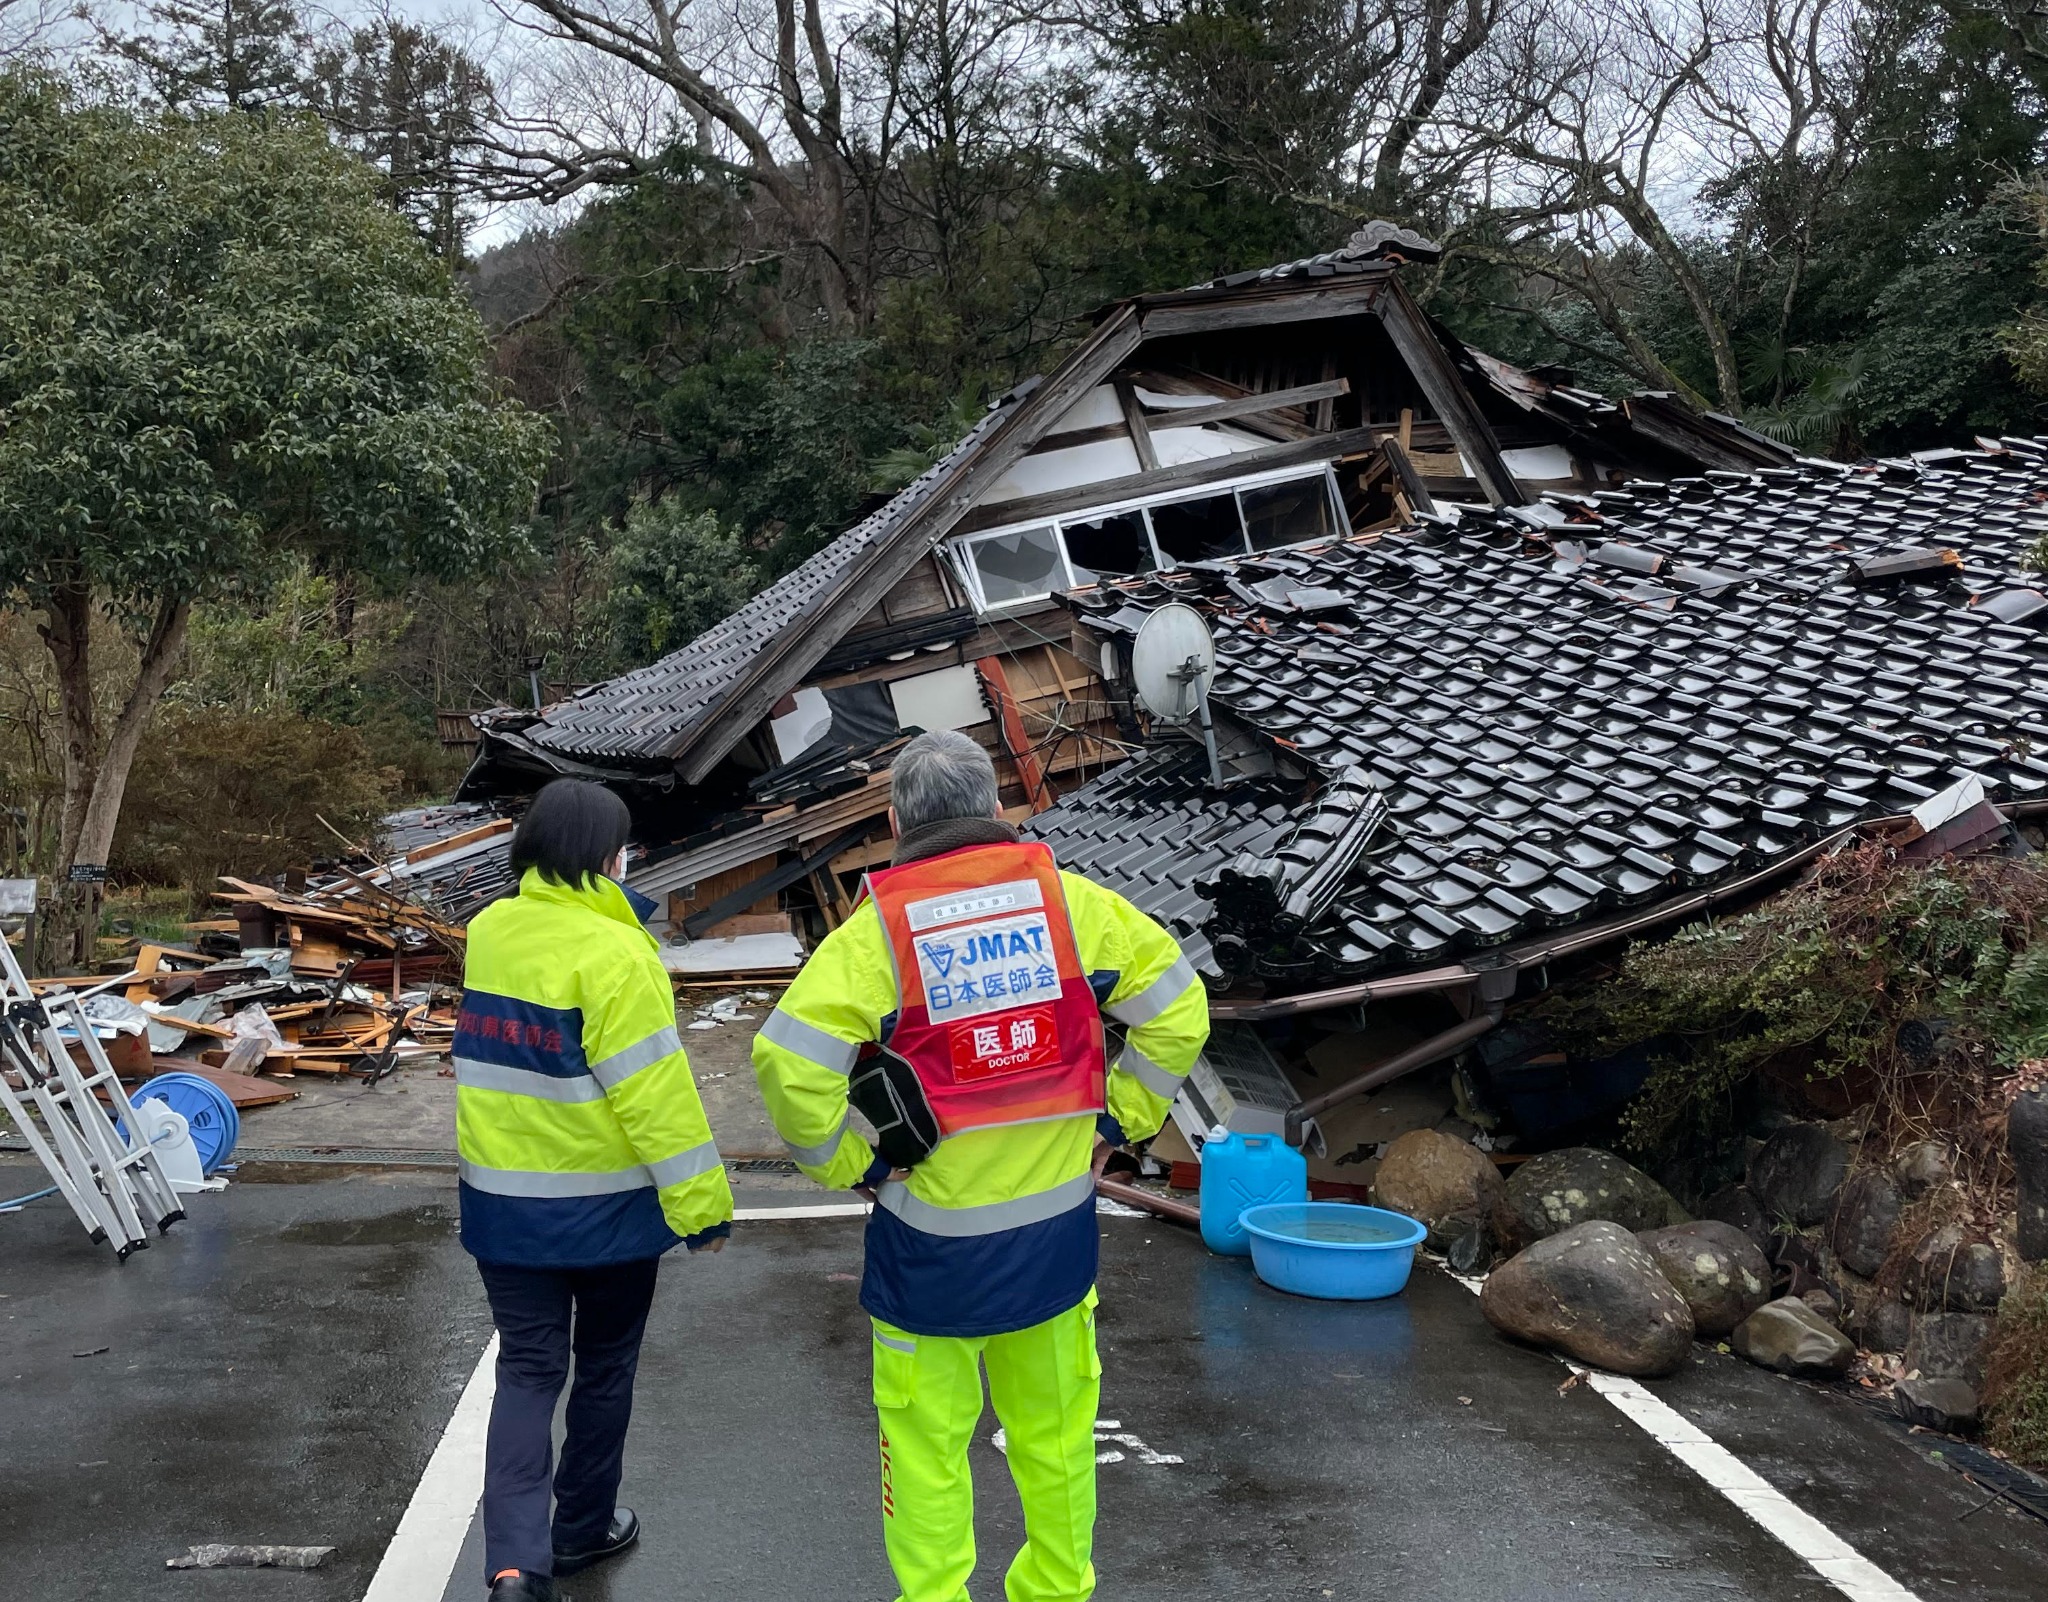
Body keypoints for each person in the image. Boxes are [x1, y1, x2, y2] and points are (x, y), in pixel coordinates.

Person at [752, 729, 1209, 1602]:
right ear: (998, 809)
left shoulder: (877, 935)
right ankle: (1057, 1591)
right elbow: (1179, 1010)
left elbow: (788, 1062)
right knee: (1057, 1439)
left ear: (896, 823)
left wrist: (852, 1163)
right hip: (1055, 1244)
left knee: (926, 1449)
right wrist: (1121, 1119)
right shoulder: (1074, 908)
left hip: (929, 1256)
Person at [456, 779, 734, 1602]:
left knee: (527, 1372)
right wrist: (703, 1211)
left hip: (503, 1208)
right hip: (608, 1216)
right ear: (608, 857)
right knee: (604, 1367)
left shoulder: (490, 932)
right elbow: (656, 1098)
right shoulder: (618, 953)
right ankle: (579, 1530)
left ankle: (514, 1568)